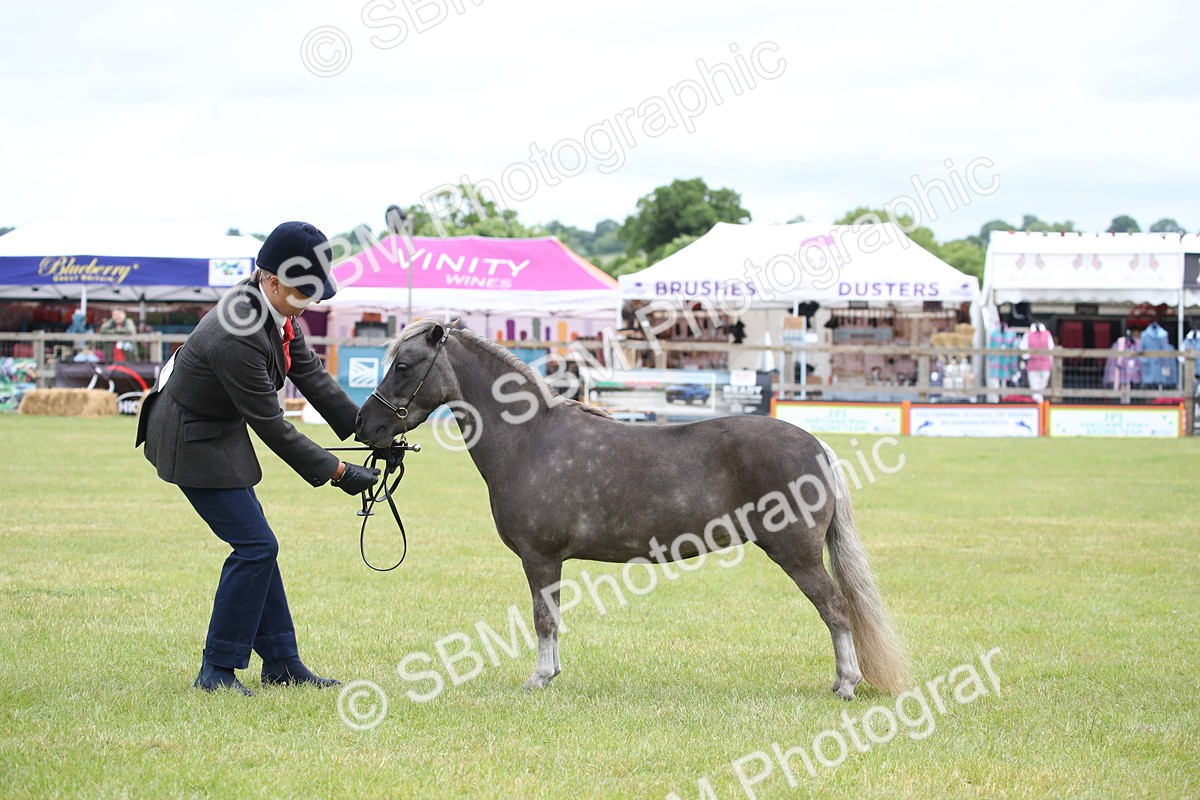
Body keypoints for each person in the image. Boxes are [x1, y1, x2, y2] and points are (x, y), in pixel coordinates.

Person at [136, 221, 382, 696]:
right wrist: (337, 471)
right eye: (303, 289)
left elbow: (305, 370)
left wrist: (364, 428)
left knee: (258, 544)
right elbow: (272, 425)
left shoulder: (276, 310)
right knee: (255, 547)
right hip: (191, 437)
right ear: (271, 280)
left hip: (218, 427)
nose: (310, 299)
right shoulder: (238, 331)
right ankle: (217, 671)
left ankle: (282, 663)